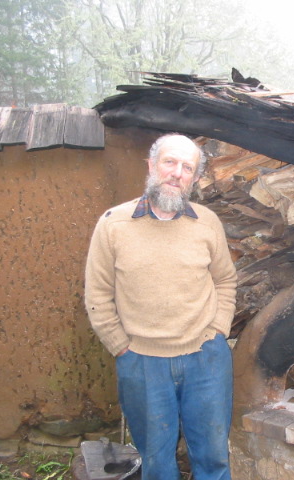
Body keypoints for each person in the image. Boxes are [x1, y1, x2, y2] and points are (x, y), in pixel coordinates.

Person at [85, 134, 237, 480]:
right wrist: (121, 346)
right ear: (151, 166)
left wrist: (218, 331)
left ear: (195, 179)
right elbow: (97, 295)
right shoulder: (113, 224)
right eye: (170, 162)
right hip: (141, 363)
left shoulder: (207, 223)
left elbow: (225, 281)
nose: (177, 173)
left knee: (213, 458)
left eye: (188, 167)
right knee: (157, 463)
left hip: (206, 359)